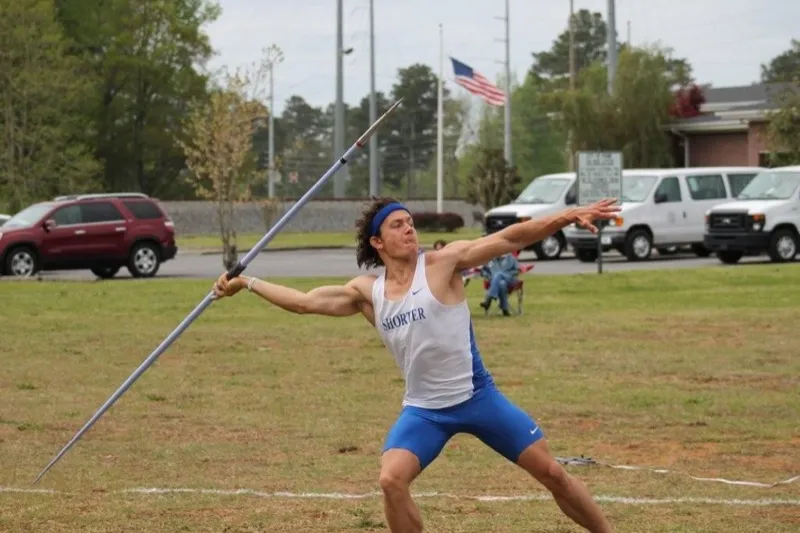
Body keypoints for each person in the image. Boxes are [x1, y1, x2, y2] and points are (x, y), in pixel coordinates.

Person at [212, 196, 620, 533]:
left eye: (411, 222)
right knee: (391, 479)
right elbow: (303, 302)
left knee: (553, 473)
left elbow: (511, 236)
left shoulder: (442, 263)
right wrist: (248, 283)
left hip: (477, 397)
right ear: (378, 242)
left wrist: (569, 215)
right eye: (398, 225)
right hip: (424, 411)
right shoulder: (367, 293)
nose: (409, 229)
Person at [479, 250, 521, 316]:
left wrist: (507, 274)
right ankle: (505, 309)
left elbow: (517, 271)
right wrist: (489, 277)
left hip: (510, 279)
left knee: (499, 275)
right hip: (496, 283)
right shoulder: (491, 260)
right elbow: (483, 271)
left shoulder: (511, 258)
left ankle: (489, 298)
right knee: (502, 283)